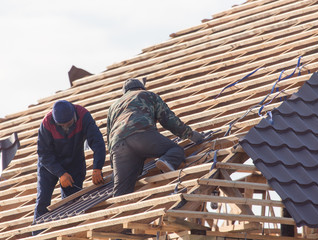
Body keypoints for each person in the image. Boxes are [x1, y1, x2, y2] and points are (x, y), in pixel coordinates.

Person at [107, 78, 204, 197]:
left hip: (118, 146)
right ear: (140, 88)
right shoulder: (147, 95)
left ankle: (118, 212)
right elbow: (169, 120)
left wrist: (115, 167)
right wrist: (191, 135)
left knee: (121, 192)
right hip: (141, 134)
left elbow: (109, 135)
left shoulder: (113, 106)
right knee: (175, 150)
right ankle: (166, 161)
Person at [33, 100, 106, 228]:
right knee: (43, 200)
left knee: (72, 201)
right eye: (62, 125)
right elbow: (44, 154)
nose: (66, 127)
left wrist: (97, 168)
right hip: (50, 165)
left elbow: (98, 142)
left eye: (69, 123)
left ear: (73, 115)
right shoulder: (47, 123)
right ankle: (38, 233)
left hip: (74, 161)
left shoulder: (83, 115)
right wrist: (60, 173)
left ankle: (69, 231)